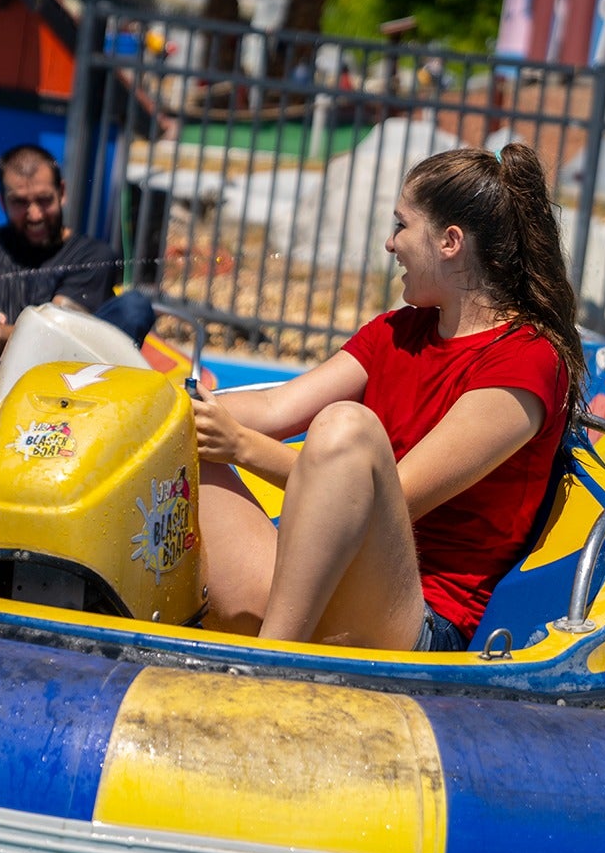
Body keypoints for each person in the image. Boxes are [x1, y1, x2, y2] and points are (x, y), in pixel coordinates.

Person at [188, 144, 583, 651]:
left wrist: (241, 447)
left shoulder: (527, 360)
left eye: (401, 226)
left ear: (450, 242)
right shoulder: (396, 332)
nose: (389, 244)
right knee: (177, 436)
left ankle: (265, 665)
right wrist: (159, 403)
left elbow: (390, 497)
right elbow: (274, 408)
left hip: (416, 620)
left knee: (346, 428)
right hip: (319, 593)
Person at [0, 144, 155, 346]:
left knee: (133, 306)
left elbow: (53, 331)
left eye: (44, 200)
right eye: (20, 202)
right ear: (2, 202)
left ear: (62, 193)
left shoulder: (93, 255)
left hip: (58, 371)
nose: (35, 215)